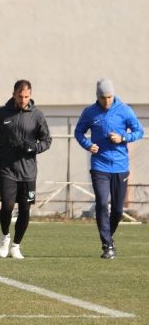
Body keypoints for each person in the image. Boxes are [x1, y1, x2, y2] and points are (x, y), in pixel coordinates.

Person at [74, 79, 144, 259]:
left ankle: (108, 237)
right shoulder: (90, 112)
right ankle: (107, 244)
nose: (107, 101)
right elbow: (78, 132)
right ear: (97, 96)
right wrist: (88, 145)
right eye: (103, 98)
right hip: (100, 166)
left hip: (121, 166)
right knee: (102, 203)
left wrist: (123, 137)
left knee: (118, 210)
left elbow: (139, 131)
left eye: (110, 97)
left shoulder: (125, 110)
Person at [0, 80, 51, 259]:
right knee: (7, 206)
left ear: (30, 95)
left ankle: (16, 245)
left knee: (25, 209)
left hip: (28, 172)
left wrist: (35, 147)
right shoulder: (2, 113)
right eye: (20, 96)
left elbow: (46, 141)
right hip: (7, 169)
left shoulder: (37, 115)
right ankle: (5, 236)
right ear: (13, 94)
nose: (23, 100)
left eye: (26, 96)